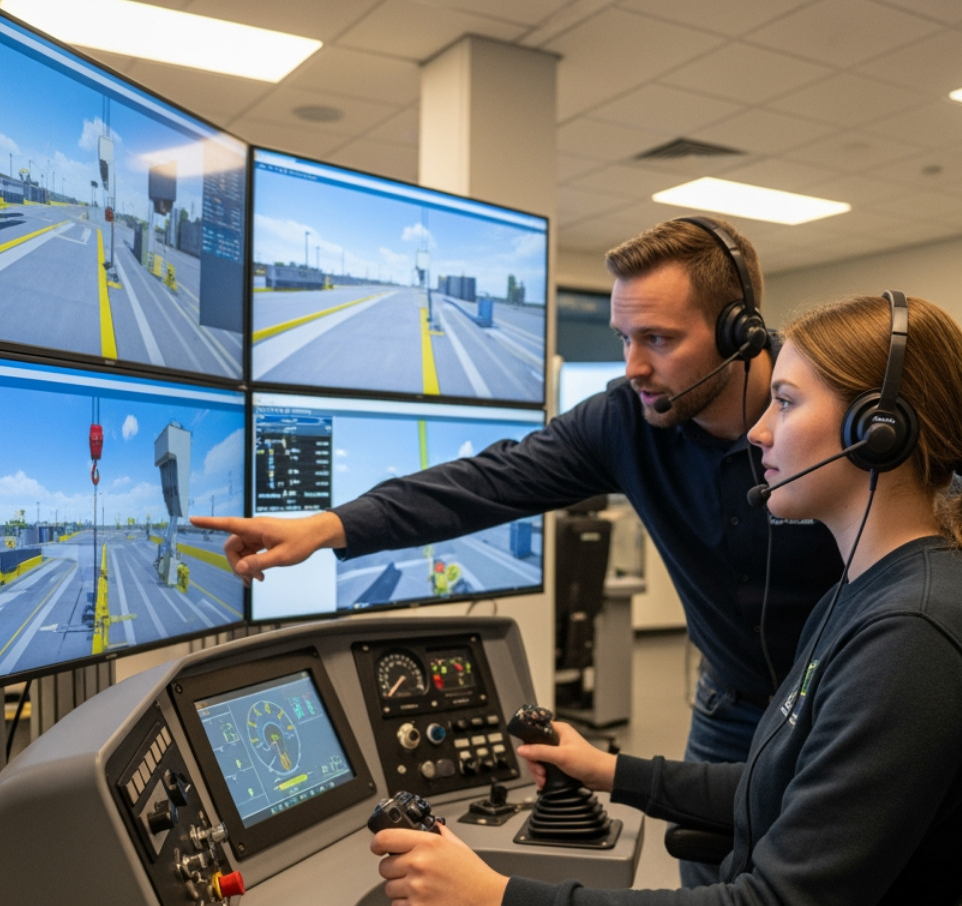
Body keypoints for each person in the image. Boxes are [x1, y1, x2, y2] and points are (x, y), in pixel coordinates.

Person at [367, 294, 962, 906]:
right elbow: (794, 793)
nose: (758, 431)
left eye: (786, 404)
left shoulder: (915, 638)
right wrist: (609, 770)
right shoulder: (871, 593)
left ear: (876, 432)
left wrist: (499, 902)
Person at [193, 219, 840, 782]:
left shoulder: (834, 410)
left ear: (739, 333)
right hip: (730, 707)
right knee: (713, 889)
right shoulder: (624, 422)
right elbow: (489, 481)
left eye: (659, 340)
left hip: (851, 700)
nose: (631, 367)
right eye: (623, 338)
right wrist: (329, 526)